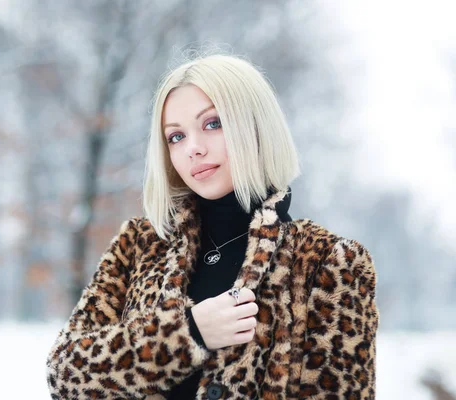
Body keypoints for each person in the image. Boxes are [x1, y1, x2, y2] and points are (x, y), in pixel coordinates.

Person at [46, 54, 379, 399]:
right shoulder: (140, 244)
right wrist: (187, 335)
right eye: (175, 137)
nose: (193, 149)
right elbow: (66, 374)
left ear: (255, 126)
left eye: (212, 124)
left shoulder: (329, 262)